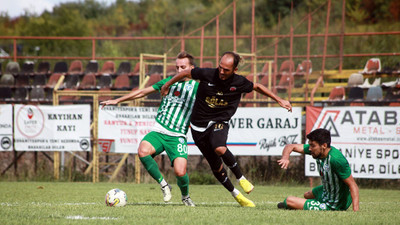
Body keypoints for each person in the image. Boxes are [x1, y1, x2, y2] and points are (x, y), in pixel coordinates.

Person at [161, 51, 292, 207]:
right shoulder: (208, 74)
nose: (221, 72)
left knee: (220, 148)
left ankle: (241, 178)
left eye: (226, 70)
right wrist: (166, 84)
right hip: (198, 126)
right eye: (220, 67)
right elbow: (186, 72)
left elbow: (257, 86)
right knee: (216, 166)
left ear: (234, 70)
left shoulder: (239, 82)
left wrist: (279, 99)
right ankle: (236, 194)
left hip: (219, 121)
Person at [100, 51, 198, 207]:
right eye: (177, 67)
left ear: (192, 68)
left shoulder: (198, 87)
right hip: (159, 130)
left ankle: (185, 196)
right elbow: (142, 91)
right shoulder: (168, 82)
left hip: (177, 135)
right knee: (143, 151)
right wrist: (116, 100)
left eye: (183, 67)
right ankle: (164, 185)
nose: (179, 71)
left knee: (180, 172)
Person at [277, 128, 360, 211]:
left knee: (289, 200)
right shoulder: (318, 151)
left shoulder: (336, 159)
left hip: (334, 204)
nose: (309, 149)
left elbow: (353, 185)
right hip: (327, 191)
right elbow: (291, 146)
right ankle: (314, 203)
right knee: (307, 195)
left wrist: (356, 211)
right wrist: (285, 158)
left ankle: (316, 205)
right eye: (309, 145)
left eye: (312, 145)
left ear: (324, 145)